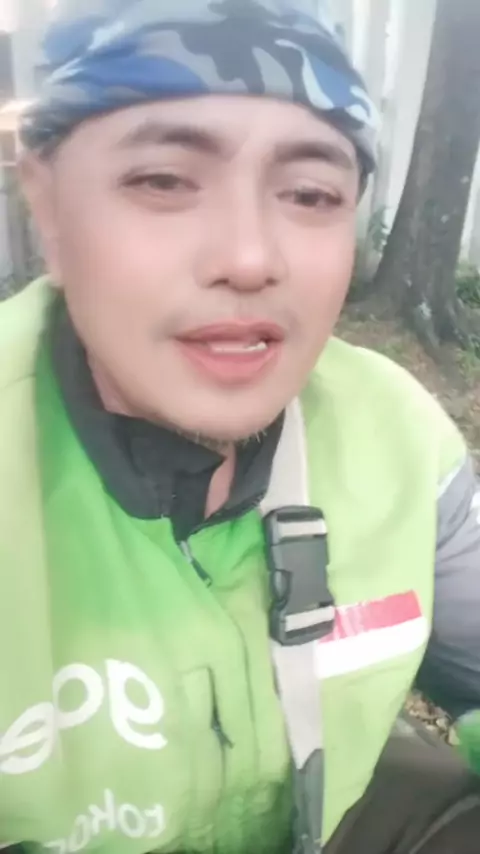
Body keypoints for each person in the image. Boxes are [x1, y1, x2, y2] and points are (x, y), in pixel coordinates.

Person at [0, 1, 479, 853]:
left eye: (310, 194)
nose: (251, 258)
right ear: (50, 208)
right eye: (163, 181)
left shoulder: (398, 440)